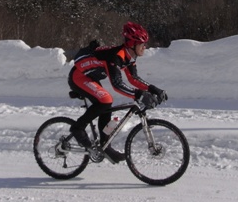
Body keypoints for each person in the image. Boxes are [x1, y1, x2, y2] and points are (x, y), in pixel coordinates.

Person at [68, 22, 167, 164]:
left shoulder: (129, 57)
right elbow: (118, 85)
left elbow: (134, 79)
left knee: (105, 103)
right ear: (132, 44)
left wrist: (153, 89)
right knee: (105, 99)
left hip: (91, 77)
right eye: (142, 44)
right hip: (78, 77)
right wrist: (139, 95)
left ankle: (105, 145)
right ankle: (77, 128)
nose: (145, 47)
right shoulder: (116, 56)